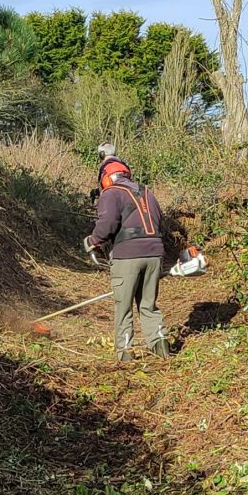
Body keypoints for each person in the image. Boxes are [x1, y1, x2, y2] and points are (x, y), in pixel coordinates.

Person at [86, 153, 169, 361]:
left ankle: (125, 354)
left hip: (127, 257)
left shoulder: (111, 193)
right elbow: (160, 222)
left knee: (123, 307)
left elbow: (107, 225)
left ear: (106, 177)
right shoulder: (147, 192)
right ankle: (160, 345)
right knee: (148, 304)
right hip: (155, 254)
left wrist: (92, 241)